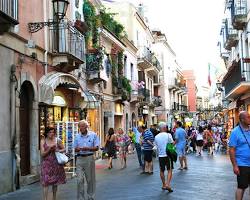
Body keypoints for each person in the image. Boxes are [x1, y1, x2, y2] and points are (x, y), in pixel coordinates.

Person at [74, 120, 100, 200]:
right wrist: (77, 149)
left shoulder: (93, 135)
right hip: (79, 158)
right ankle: (81, 198)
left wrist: (88, 148)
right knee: (79, 180)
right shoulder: (77, 136)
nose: (80, 128)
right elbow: (75, 148)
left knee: (90, 179)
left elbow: (97, 147)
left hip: (89, 158)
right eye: (79, 127)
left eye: (82, 126)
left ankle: (90, 196)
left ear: (86, 127)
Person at [229, 111, 250, 200]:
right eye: (248, 117)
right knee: (242, 187)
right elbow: (231, 150)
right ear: (242, 119)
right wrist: (235, 166)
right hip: (242, 164)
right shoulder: (235, 132)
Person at [40, 127, 66, 200]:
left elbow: (64, 149)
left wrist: (57, 150)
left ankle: (54, 198)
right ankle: (45, 198)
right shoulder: (43, 141)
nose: (51, 134)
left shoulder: (57, 140)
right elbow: (42, 154)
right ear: (47, 133)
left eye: (53, 132)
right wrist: (49, 149)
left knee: (55, 182)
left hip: (56, 163)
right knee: (45, 181)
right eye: (50, 132)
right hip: (47, 164)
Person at [155, 122, 174, 192]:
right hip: (168, 155)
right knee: (169, 170)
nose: (166, 128)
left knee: (161, 170)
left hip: (160, 155)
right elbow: (171, 145)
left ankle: (163, 184)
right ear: (164, 128)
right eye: (166, 127)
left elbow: (156, 146)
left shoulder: (156, 137)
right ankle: (168, 184)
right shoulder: (168, 135)